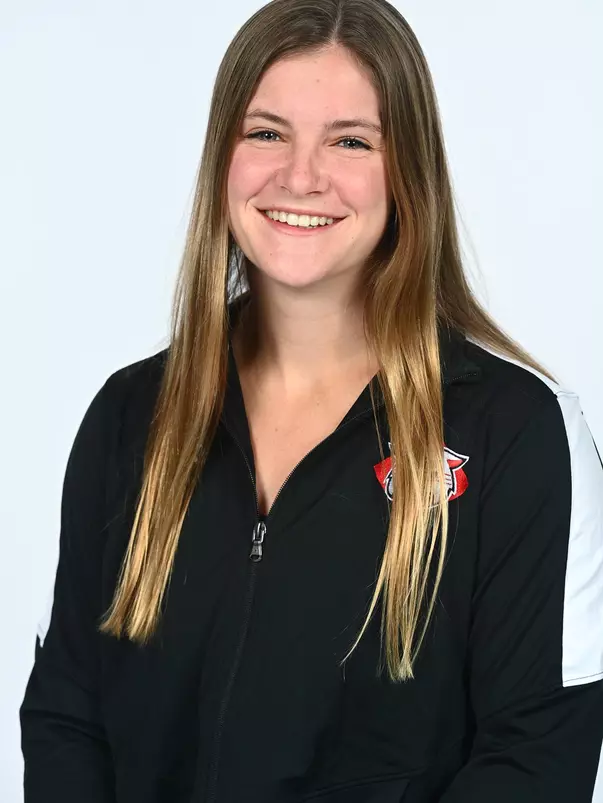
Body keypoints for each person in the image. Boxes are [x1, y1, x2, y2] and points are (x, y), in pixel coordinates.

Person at [19, 0, 603, 801]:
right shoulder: (130, 417)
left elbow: (535, 754)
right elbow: (67, 716)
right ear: (222, 158)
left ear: (407, 172)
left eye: (350, 141)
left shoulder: (517, 434)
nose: (300, 177)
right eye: (266, 133)